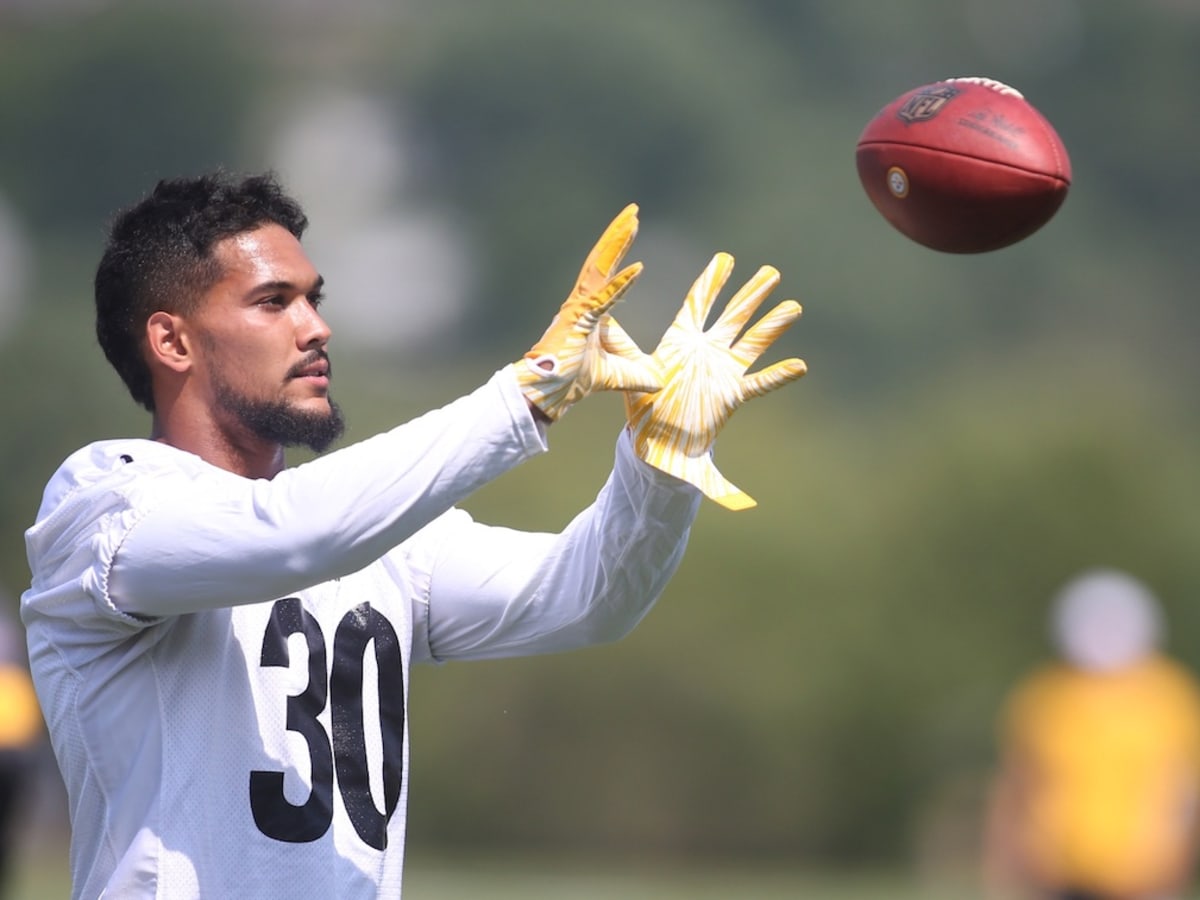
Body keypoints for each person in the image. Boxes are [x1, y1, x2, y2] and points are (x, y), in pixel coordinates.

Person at [20, 172, 807, 899]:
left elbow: (592, 596)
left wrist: (660, 464)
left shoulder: (376, 540)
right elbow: (291, 539)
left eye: (314, 299)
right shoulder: (103, 506)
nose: (316, 328)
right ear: (173, 342)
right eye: (273, 301)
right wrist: (525, 394)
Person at [983, 569, 1200, 900]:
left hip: (1146, 876)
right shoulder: (1045, 696)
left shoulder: (1172, 696)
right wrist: (1010, 860)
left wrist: (1177, 858)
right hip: (1059, 874)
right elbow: (1019, 782)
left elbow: (1184, 787)